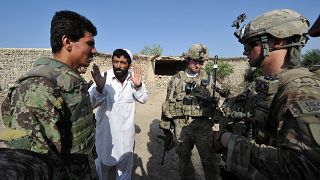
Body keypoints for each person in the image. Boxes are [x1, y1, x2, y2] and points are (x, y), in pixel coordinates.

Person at [212, 9, 320, 179]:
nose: (244, 52)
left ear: (277, 41)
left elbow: (306, 167)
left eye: (249, 45)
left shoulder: (301, 89)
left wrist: (227, 140)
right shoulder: (267, 83)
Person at [0, 10, 98, 179]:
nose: (95, 50)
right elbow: (35, 163)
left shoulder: (69, 80)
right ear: (67, 42)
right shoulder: (37, 88)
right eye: (90, 43)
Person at [160, 43, 229, 180]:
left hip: (203, 125)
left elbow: (224, 93)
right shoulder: (176, 79)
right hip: (181, 125)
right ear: (188, 59)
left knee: (210, 161)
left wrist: (224, 90)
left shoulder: (209, 78)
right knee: (184, 160)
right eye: (195, 61)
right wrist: (166, 129)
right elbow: (167, 104)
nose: (198, 65)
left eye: (201, 62)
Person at [89, 48, 148, 180]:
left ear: (129, 65)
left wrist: (138, 87)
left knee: (124, 174)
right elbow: (90, 104)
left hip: (126, 138)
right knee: (100, 172)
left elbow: (143, 99)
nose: (118, 65)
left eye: (123, 62)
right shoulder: (104, 78)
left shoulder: (134, 79)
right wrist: (99, 89)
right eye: (115, 61)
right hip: (105, 137)